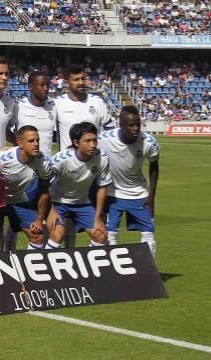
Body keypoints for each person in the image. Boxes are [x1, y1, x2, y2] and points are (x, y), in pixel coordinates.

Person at [98, 105, 160, 257]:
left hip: (139, 193)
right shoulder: (104, 140)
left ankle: (149, 274)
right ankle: (111, 270)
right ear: (121, 124)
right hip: (113, 194)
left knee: (148, 233)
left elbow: (154, 166)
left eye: (138, 124)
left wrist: (151, 197)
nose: (136, 128)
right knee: (110, 234)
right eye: (131, 125)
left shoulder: (149, 143)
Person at [46, 122, 111, 249]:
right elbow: (43, 185)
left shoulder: (102, 158)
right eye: (87, 141)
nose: (92, 145)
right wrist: (51, 211)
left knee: (101, 235)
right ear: (76, 143)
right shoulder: (60, 160)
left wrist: (98, 218)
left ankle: (87, 264)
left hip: (82, 202)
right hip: (57, 202)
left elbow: (102, 187)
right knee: (58, 234)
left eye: (94, 140)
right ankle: (44, 266)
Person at [0, 125, 52, 251]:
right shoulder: (3, 159)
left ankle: (31, 268)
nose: (36, 144)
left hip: (19, 201)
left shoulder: (44, 162)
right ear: (20, 143)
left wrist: (39, 220)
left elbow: (44, 192)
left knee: (37, 236)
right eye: (31, 141)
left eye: (37, 140)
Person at [54, 64, 114, 150]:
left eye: (83, 79)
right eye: (76, 79)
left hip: (94, 159)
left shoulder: (97, 101)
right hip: (68, 160)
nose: (81, 82)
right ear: (67, 82)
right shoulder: (57, 103)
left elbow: (109, 129)